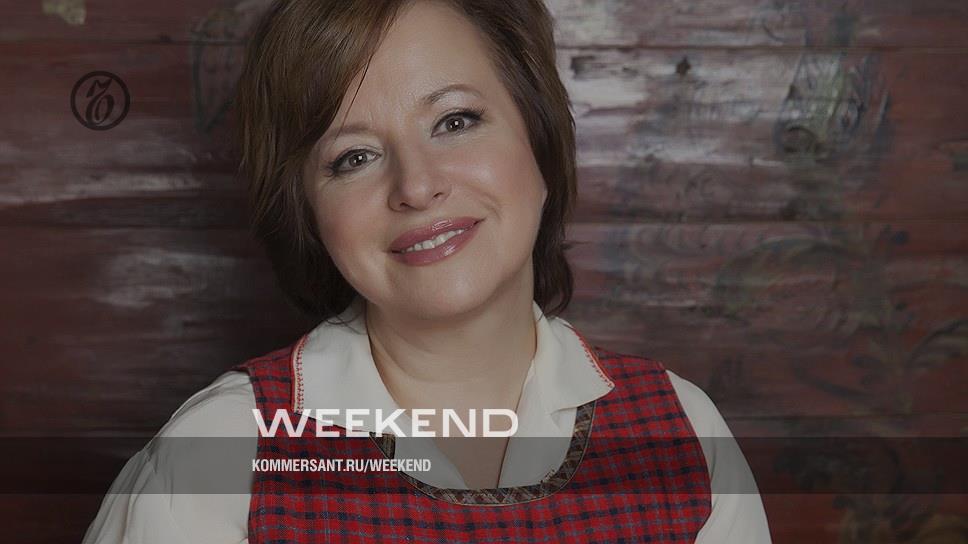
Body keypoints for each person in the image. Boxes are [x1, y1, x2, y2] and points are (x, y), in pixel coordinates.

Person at [83, 0, 772, 542]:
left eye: (455, 121)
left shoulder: (681, 430)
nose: (416, 186)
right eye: (354, 157)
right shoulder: (221, 452)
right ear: (309, 214)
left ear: (539, 136)